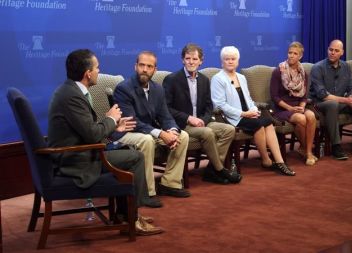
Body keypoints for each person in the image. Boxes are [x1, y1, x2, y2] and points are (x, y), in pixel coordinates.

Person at [47, 49, 163, 235]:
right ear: (88, 73)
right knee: (135, 157)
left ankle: (124, 215)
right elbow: (92, 135)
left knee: (127, 150)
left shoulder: (71, 90)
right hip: (76, 160)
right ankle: (133, 217)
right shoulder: (72, 96)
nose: (99, 71)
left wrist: (114, 127)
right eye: (97, 68)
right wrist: (110, 119)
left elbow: (88, 130)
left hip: (80, 151)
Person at [112, 51, 191, 208]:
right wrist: (161, 133)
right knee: (147, 140)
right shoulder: (124, 88)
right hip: (126, 133)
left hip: (149, 131)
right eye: (142, 65)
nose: (145, 69)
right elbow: (132, 122)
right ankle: (147, 191)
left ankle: (170, 183)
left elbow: (166, 116)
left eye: (149, 66)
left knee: (183, 136)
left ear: (155, 69)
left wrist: (172, 131)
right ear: (135, 67)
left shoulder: (157, 89)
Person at [163, 43, 241, 184]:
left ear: (201, 61)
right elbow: (166, 109)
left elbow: (208, 106)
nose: (191, 62)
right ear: (183, 60)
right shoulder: (172, 79)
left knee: (229, 129)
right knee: (207, 133)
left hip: (202, 122)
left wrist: (203, 121)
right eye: (188, 59)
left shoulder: (204, 80)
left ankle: (211, 170)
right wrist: (189, 118)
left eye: (194, 59)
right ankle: (220, 170)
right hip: (182, 124)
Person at [211, 46, 295, 176]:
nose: (230, 61)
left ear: (237, 61)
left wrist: (253, 109)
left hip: (248, 114)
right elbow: (220, 105)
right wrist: (244, 114)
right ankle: (266, 160)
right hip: (232, 117)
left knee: (268, 122)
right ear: (222, 61)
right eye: (227, 59)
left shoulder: (241, 77)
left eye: (233, 59)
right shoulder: (218, 79)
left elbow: (249, 99)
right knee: (259, 125)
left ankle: (280, 162)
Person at [310, 39, 352, 160]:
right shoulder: (318, 68)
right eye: (330, 50)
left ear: (341, 52)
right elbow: (322, 95)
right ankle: (336, 145)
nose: (332, 53)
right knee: (332, 104)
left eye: (336, 51)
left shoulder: (346, 66)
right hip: (320, 104)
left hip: (340, 102)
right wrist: (346, 100)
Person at [270, 41, 317, 166]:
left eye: (295, 53)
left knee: (311, 116)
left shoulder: (303, 73)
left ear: (300, 56)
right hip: (282, 108)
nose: (291, 55)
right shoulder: (278, 71)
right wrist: (290, 108)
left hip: (297, 106)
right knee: (301, 118)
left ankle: (307, 151)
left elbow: (304, 96)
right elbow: (274, 97)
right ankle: (307, 150)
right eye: (290, 53)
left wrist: (302, 106)